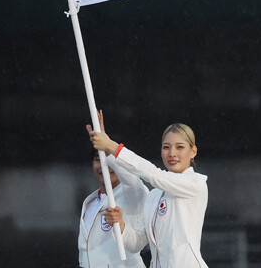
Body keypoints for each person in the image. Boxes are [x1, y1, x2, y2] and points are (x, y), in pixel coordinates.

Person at [87, 113, 209, 268]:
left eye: (180, 147)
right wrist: (119, 223)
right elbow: (136, 242)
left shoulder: (196, 183)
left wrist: (112, 147)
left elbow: (153, 174)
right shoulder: (155, 195)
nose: (172, 153)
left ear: (193, 151)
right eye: (166, 147)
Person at [78, 132, 149, 268]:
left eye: (109, 159)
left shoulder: (132, 194)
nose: (104, 166)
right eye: (98, 159)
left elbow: (133, 181)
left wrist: (109, 147)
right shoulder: (90, 202)